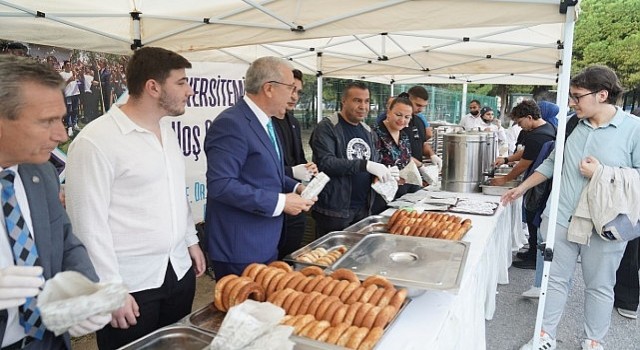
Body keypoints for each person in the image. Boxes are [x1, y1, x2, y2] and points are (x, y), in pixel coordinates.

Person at [65, 47, 207, 350]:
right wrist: (110, 289)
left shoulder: (167, 133)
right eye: (181, 83)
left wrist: (191, 240)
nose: (189, 90)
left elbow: (174, 194)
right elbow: (87, 226)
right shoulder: (95, 141)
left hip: (178, 269)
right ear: (153, 87)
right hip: (131, 284)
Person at [502, 65, 640, 350]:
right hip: (561, 217)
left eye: (577, 96)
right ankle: (544, 336)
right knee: (554, 280)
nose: (572, 102)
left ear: (602, 95)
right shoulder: (571, 124)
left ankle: (593, 340)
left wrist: (602, 172)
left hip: (606, 223)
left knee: (600, 286)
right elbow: (553, 162)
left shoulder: (634, 129)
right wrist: (522, 188)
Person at [0, 55, 110, 349]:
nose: (61, 134)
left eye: (61, 118)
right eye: (47, 120)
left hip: (49, 340)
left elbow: (64, 241)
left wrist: (85, 291)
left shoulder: (42, 172)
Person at [204, 56, 315, 278]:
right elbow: (222, 185)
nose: (294, 96)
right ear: (269, 89)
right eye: (290, 88)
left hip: (264, 240)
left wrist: (295, 188)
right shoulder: (232, 124)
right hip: (240, 247)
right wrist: (281, 202)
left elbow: (267, 172)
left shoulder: (266, 122)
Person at [310, 81, 395, 238]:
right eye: (357, 100)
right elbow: (326, 163)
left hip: (362, 208)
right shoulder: (327, 127)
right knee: (330, 258)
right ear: (344, 101)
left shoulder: (368, 131)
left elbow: (374, 160)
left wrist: (382, 175)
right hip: (334, 211)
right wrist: (365, 165)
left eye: (367, 101)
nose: (363, 106)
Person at [492, 100, 556, 274]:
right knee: (531, 215)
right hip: (538, 180)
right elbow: (526, 153)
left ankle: (535, 257)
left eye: (520, 123)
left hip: (540, 183)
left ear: (529, 117)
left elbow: (524, 163)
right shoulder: (544, 128)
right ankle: (531, 252)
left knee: (534, 216)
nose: (519, 127)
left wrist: (504, 179)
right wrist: (506, 160)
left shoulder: (538, 135)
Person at [272, 68, 318, 259]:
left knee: (291, 255)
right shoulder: (266, 121)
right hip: (274, 202)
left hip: (296, 199)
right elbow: (263, 169)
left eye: (298, 92)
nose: (294, 96)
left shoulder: (293, 121)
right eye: (291, 89)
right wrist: (292, 171)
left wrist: (308, 168)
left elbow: (297, 157)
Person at [613, 106, 640, 319]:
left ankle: (628, 300)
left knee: (630, 251)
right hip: (628, 198)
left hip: (632, 201)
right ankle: (626, 298)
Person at [371, 95, 417, 213]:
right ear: (389, 112)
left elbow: (406, 160)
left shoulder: (404, 136)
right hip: (380, 195)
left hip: (402, 194)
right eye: (398, 115)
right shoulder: (374, 134)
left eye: (407, 117)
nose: (402, 120)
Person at [403, 86, 442, 170]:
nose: (421, 109)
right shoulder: (397, 123)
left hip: (415, 173)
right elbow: (397, 152)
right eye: (418, 105)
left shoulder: (419, 121)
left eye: (424, 106)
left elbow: (421, 143)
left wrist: (432, 155)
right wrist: (420, 166)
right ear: (407, 99)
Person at [60, 60, 81, 134]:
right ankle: (69, 127)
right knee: (69, 110)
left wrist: (76, 72)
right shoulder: (62, 74)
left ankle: (75, 124)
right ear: (65, 66)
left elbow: (79, 77)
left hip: (75, 93)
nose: (69, 66)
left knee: (75, 110)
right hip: (68, 95)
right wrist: (68, 80)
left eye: (70, 65)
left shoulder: (73, 72)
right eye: (68, 65)